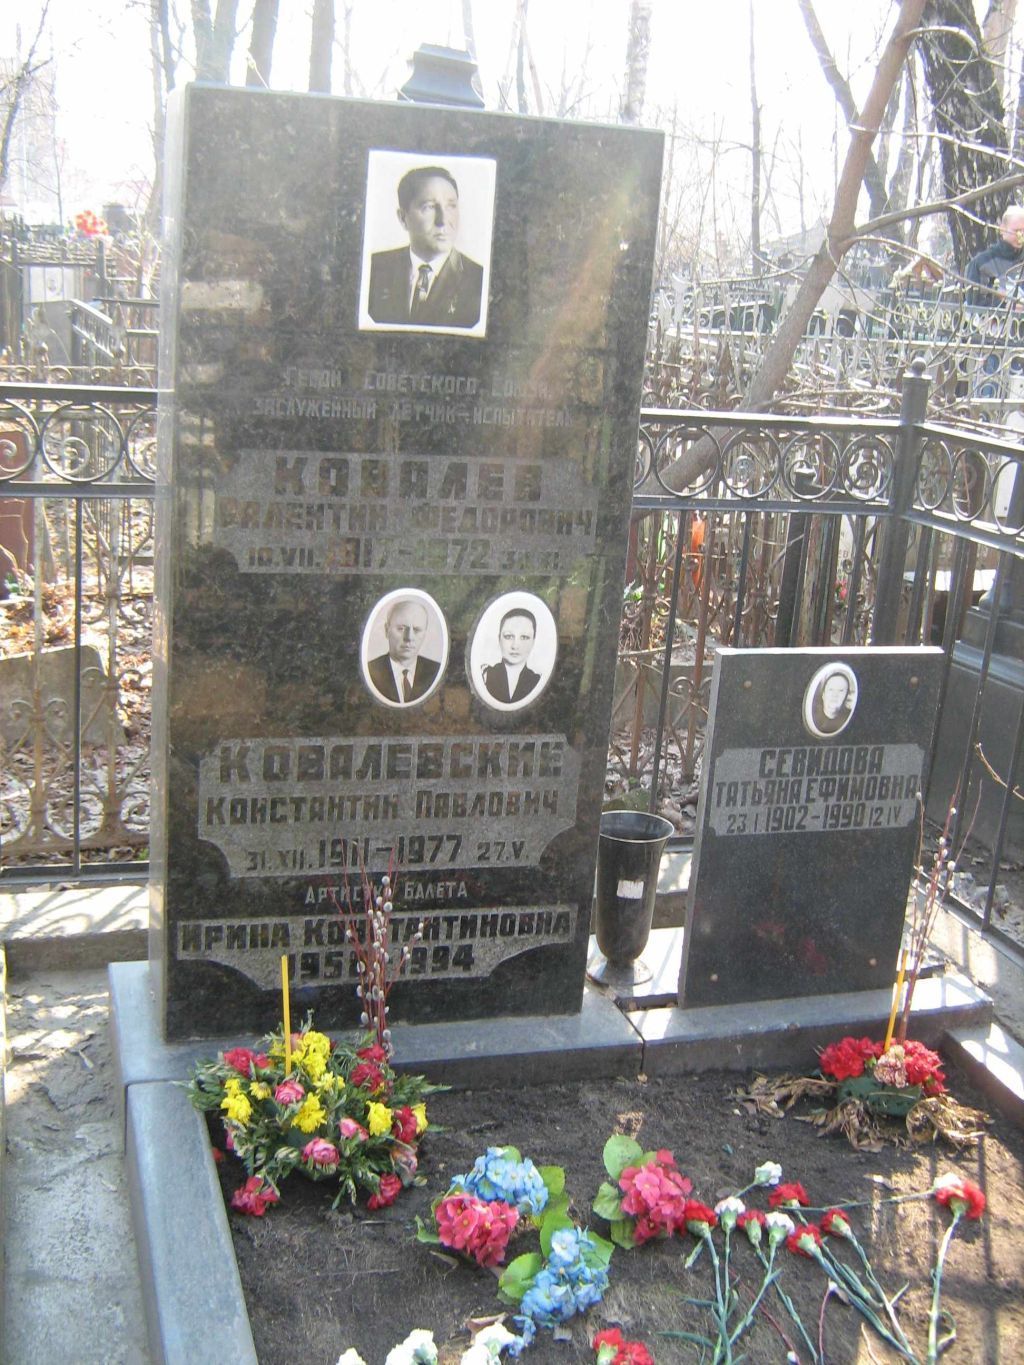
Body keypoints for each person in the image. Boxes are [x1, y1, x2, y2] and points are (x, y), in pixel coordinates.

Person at [367, 165, 484, 328]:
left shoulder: (479, 280)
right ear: (403, 218)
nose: (443, 220)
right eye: (429, 207)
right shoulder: (373, 269)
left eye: (451, 206)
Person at [366, 599, 441, 704]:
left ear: (425, 634)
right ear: (387, 630)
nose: (409, 638)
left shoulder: (436, 672)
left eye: (417, 630)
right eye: (401, 628)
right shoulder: (371, 672)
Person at [964, 205, 1024, 303]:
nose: (1021, 236)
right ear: (1002, 229)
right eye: (1016, 231)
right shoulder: (981, 263)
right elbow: (974, 304)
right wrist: (1005, 305)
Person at [482, 608, 542, 704]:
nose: (515, 646)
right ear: (499, 638)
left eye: (524, 637)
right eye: (509, 636)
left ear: (533, 641)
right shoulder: (484, 676)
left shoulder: (538, 681)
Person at [808, 670, 856, 737]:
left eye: (841, 691)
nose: (835, 695)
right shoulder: (812, 714)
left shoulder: (850, 719)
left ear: (846, 696)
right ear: (823, 694)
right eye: (831, 689)